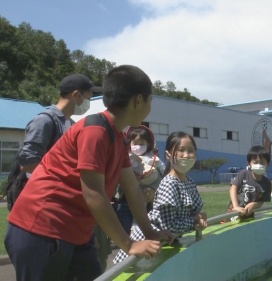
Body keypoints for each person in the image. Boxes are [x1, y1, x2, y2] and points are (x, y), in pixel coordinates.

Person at [5, 65, 173, 281]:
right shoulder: (95, 131)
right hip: (41, 230)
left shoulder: (118, 138)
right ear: (138, 101)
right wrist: (129, 244)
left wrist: (149, 232)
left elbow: (132, 188)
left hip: (73, 233)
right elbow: (94, 193)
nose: (150, 107)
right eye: (151, 101)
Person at [114, 131, 207, 263]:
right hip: (147, 243)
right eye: (181, 150)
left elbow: (196, 211)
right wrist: (194, 221)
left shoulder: (189, 182)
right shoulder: (169, 183)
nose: (186, 155)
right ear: (168, 155)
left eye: (191, 151)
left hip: (161, 244)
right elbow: (169, 225)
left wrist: (200, 217)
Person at [18, 73, 98, 176]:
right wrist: (66, 175)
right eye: (88, 98)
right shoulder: (44, 121)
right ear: (76, 95)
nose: (88, 103)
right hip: (42, 190)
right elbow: (28, 164)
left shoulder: (72, 125)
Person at [114, 125, 167, 234]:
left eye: (142, 143)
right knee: (124, 230)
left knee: (145, 229)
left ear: (148, 144)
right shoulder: (124, 158)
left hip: (147, 200)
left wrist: (154, 190)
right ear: (129, 143)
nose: (138, 146)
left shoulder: (154, 160)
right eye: (135, 143)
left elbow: (165, 173)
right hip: (125, 201)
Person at [226, 145, 272, 221]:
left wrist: (254, 205)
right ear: (249, 163)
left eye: (262, 162)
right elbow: (233, 188)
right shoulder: (244, 174)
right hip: (233, 215)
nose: (259, 165)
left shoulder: (267, 183)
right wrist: (236, 206)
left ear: (268, 163)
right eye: (255, 162)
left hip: (249, 217)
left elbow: (262, 201)